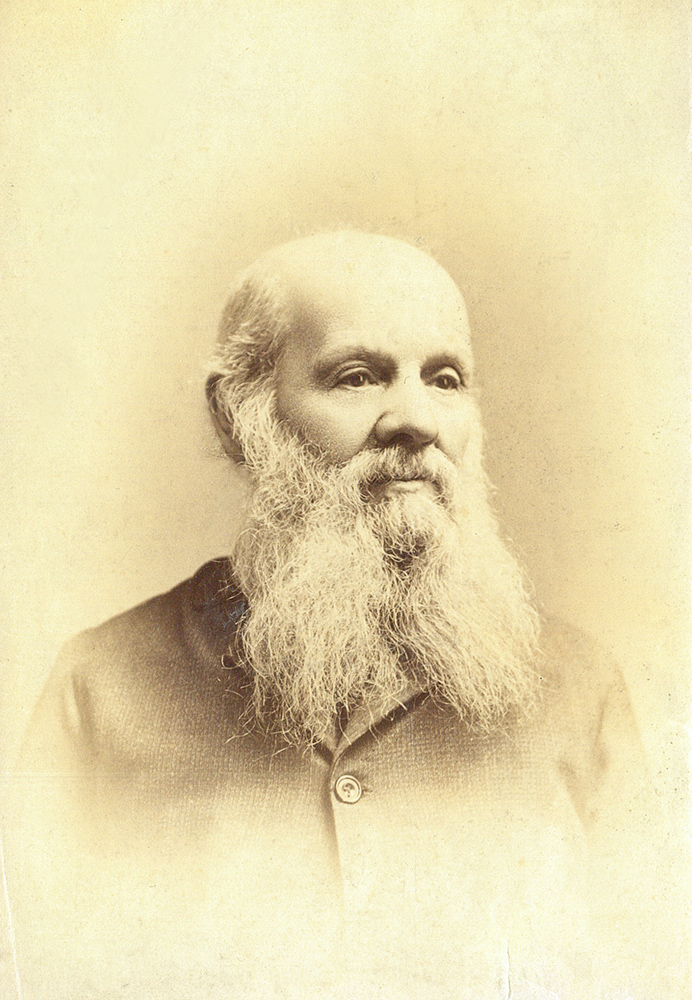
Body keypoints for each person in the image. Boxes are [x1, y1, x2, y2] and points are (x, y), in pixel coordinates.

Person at [6, 232, 677, 998]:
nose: (415, 419)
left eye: (446, 379)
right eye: (358, 378)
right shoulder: (99, 686)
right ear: (236, 417)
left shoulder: (579, 689)